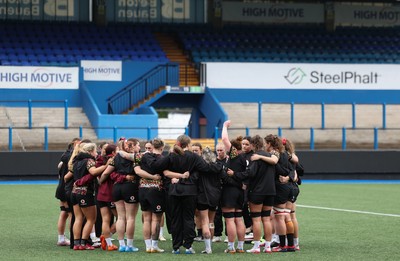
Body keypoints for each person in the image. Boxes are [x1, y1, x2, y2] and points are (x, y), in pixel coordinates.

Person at [150, 134, 214, 254]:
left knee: (175, 218)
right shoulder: (194, 157)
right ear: (188, 144)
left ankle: (176, 247)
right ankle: (188, 246)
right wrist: (193, 171)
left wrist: (168, 172)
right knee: (189, 218)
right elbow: (206, 168)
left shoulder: (172, 156)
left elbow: (156, 166)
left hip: (174, 191)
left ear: (178, 143)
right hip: (190, 191)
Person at [230, 135, 278, 253]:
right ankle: (267, 246)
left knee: (256, 220)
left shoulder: (255, 157)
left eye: (249, 144)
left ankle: (256, 246)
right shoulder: (270, 156)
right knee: (266, 219)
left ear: (253, 145)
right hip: (270, 191)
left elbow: (249, 173)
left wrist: (234, 174)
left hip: (257, 192)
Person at [99, 138, 141, 252]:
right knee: (130, 217)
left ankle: (122, 244)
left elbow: (107, 172)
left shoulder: (115, 157)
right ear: (132, 146)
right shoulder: (136, 157)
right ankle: (130, 245)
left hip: (117, 187)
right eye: (138, 145)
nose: (139, 148)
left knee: (121, 217)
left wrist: (100, 182)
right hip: (130, 187)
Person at [71, 143, 110, 250]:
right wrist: (106, 166)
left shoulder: (76, 161)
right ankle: (83, 243)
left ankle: (76, 243)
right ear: (90, 152)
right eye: (95, 151)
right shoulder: (89, 161)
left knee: (78, 218)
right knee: (91, 219)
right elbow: (93, 171)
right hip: (85, 192)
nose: (96, 153)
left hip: (74, 192)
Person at [133, 138, 168, 253]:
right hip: (156, 190)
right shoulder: (163, 159)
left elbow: (137, 170)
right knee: (156, 220)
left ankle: (148, 246)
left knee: (146, 219)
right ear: (162, 147)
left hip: (142, 189)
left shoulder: (142, 157)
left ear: (152, 147)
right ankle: (154, 246)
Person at [221, 120, 247, 253]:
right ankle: (240, 247)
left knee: (230, 220)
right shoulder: (245, 158)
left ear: (234, 150)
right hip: (240, 191)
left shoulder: (234, 155)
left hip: (230, 190)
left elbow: (224, 138)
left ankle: (231, 247)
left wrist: (225, 126)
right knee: (239, 218)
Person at [196, 146, 223, 254]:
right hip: (215, 196)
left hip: (202, 196)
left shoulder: (200, 168)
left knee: (205, 221)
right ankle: (209, 247)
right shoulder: (218, 167)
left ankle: (208, 248)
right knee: (211, 221)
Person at [55, 137, 80, 246]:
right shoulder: (74, 159)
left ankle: (61, 238)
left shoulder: (64, 159)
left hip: (61, 188)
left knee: (64, 213)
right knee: (72, 215)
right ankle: (74, 239)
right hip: (67, 188)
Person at [97, 144, 119, 251]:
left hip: (101, 193)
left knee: (105, 219)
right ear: (114, 152)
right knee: (121, 219)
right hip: (111, 193)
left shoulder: (101, 159)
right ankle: (107, 238)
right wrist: (100, 181)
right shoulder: (113, 160)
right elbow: (107, 174)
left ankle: (108, 242)